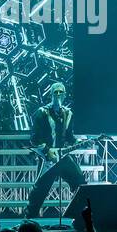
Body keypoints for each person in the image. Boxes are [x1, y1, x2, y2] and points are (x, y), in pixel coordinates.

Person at [25, 82, 85, 218]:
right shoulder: (42, 112)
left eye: (60, 92)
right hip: (48, 158)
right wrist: (47, 151)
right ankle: (28, 219)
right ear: (51, 94)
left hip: (63, 156)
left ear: (64, 95)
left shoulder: (68, 113)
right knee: (40, 190)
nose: (58, 94)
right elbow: (34, 138)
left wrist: (77, 142)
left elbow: (68, 136)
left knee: (80, 183)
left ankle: (78, 216)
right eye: (55, 92)